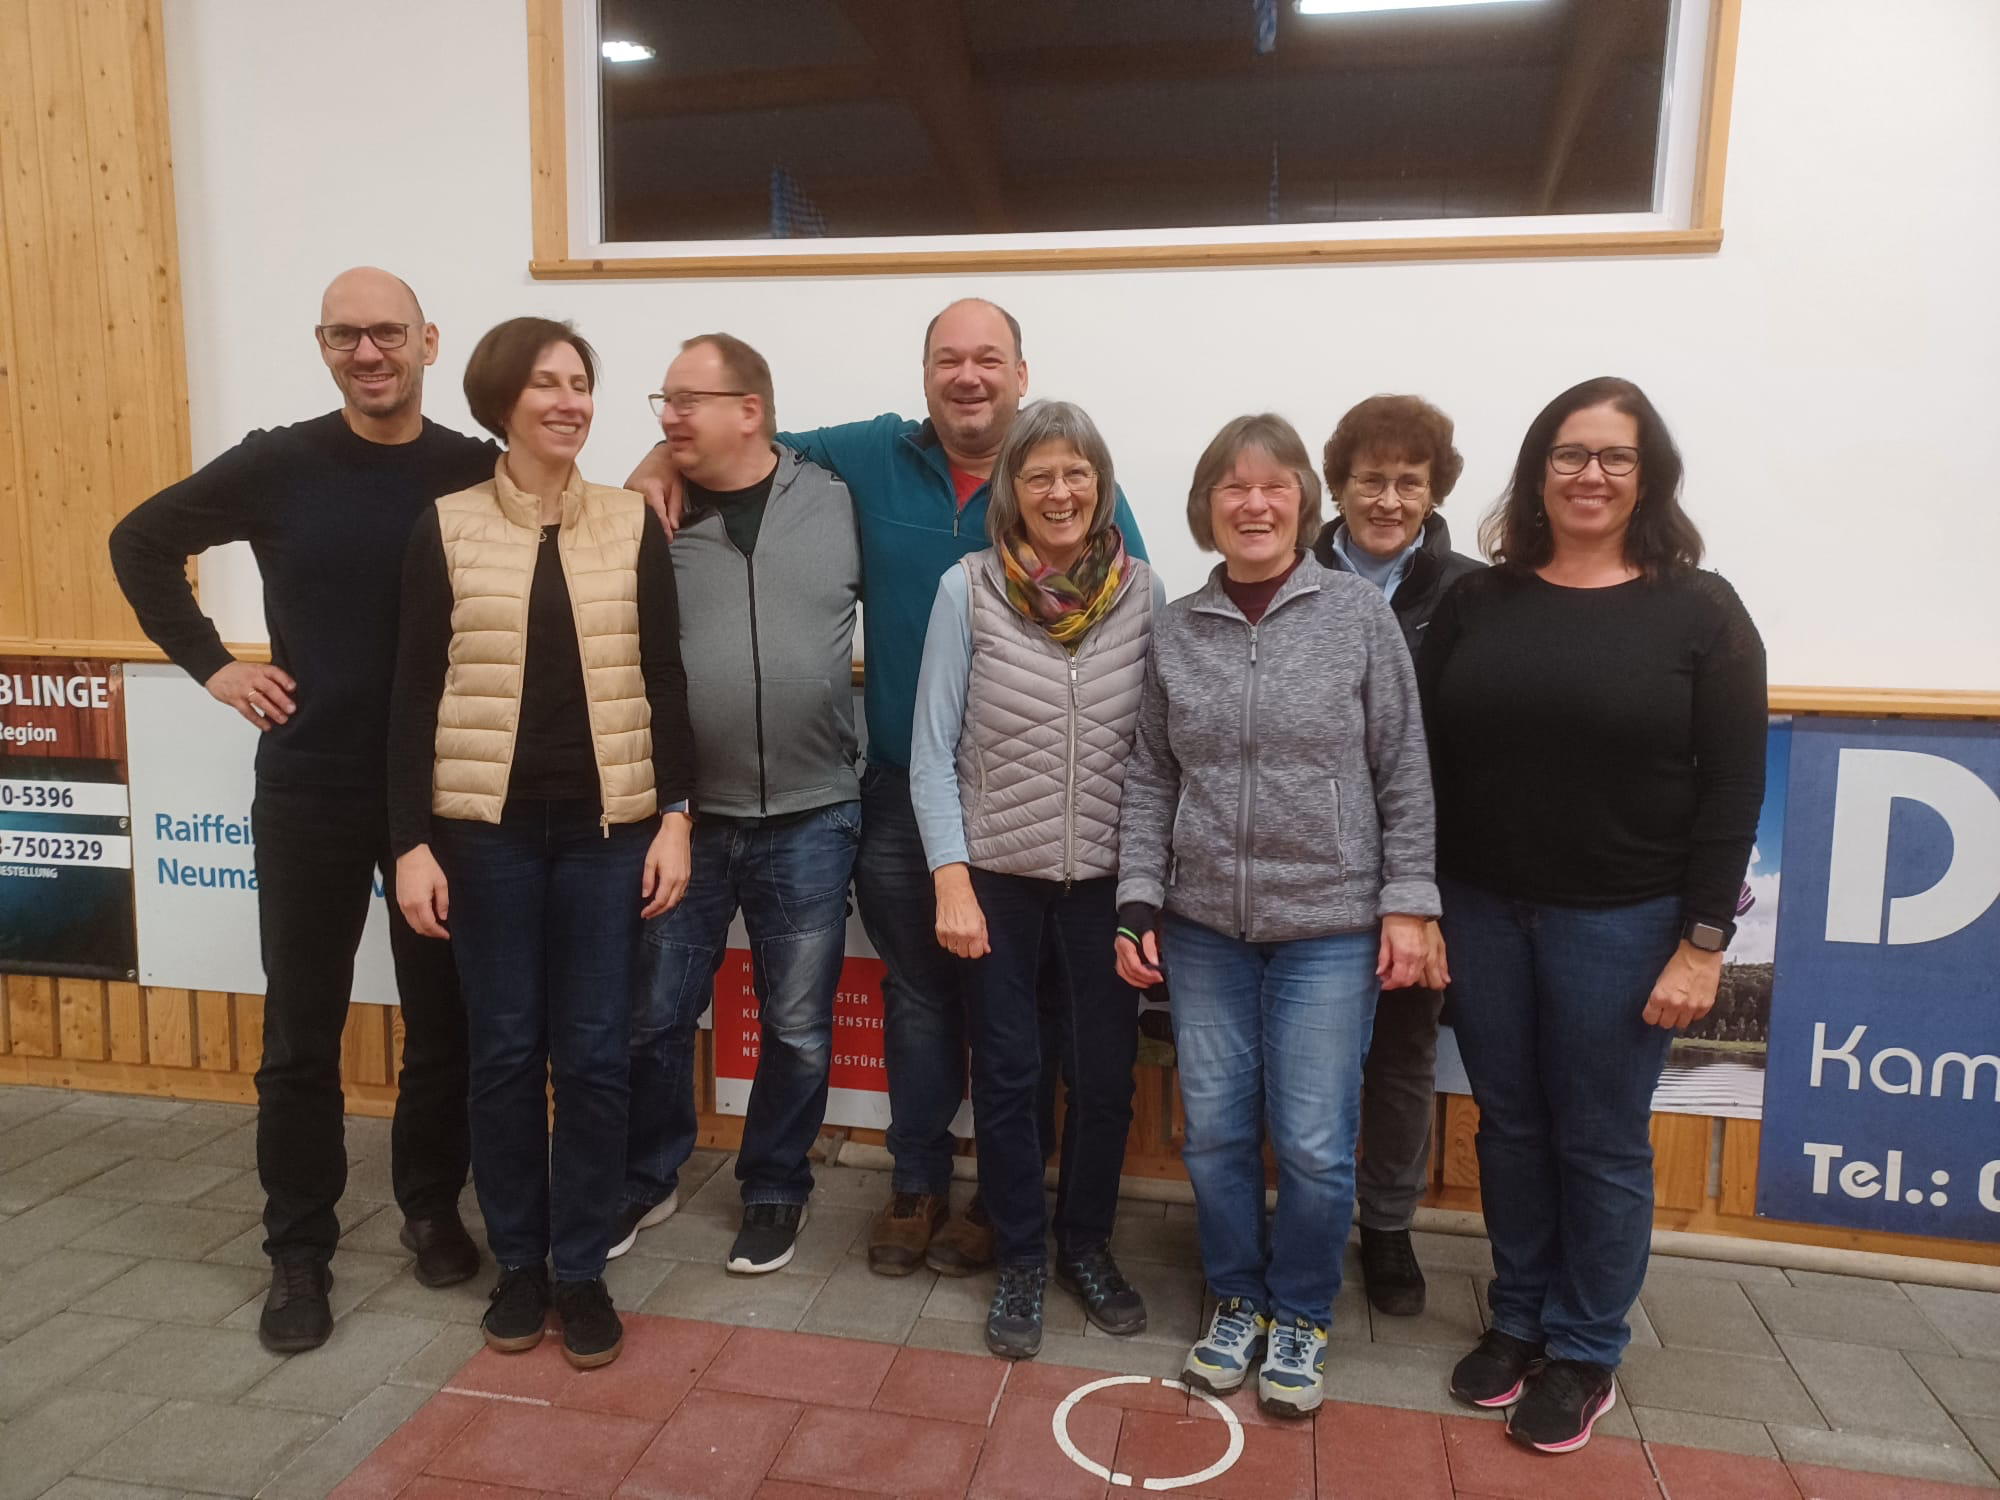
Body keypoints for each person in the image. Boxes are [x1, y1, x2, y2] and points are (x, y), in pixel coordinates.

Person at [630, 299, 1149, 1278]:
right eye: (948, 359)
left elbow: (1126, 628)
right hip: (903, 792)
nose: (967, 377)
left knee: (1025, 1011)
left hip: (1032, 808)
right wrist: (664, 454)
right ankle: (917, 1184)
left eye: (987, 359)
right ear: (923, 375)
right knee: (918, 997)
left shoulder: (1064, 480)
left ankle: (1002, 1201)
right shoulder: (869, 455)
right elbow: (750, 437)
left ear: (1021, 374)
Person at [108, 268, 490, 1354]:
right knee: (300, 1035)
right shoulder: (279, 462)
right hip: (311, 785)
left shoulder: (474, 469)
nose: (368, 353)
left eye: (387, 333)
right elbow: (139, 542)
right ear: (323, 346)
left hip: (439, 793)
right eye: (344, 335)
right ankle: (298, 1248)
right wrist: (213, 666)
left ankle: (429, 1205)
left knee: (444, 1023)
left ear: (428, 341)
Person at [1417, 376, 1765, 1453]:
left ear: (1647, 477)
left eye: (1615, 456)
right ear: (1537, 472)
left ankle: (1582, 1349)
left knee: (1601, 1140)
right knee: (1510, 1125)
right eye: (1569, 454)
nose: (1591, 475)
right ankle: (1518, 1317)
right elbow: (1420, 765)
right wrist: (1419, 904)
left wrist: (1702, 943)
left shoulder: (1701, 610)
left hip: (1623, 922)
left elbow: (1733, 787)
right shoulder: (1476, 602)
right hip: (1480, 909)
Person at [1115, 414, 1439, 1418]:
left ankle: (1300, 1311)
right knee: (1214, 1134)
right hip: (1203, 927)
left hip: (1328, 928)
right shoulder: (1177, 629)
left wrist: (1407, 903)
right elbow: (1149, 776)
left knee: (1309, 1141)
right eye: (1232, 487)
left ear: (1302, 502)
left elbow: (1402, 771)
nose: (1253, 504)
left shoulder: (1356, 616)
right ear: (1205, 507)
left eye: (1273, 487)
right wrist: (1136, 899)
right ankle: (1234, 1298)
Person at [387, 317, 695, 1370]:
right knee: (507, 1051)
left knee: (598, 1055)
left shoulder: (630, 522)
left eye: (580, 383)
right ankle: (519, 1262)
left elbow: (664, 677)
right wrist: (409, 843)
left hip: (610, 832)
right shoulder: (446, 527)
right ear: (500, 403)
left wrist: (677, 816)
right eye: (546, 385)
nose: (570, 402)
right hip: (487, 837)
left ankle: (581, 1268)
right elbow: (412, 693)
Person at [910, 400, 1163, 1359]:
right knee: (1009, 1076)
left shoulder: (1145, 594)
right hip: (998, 882)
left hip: (1106, 883)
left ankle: (1084, 1246)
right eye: (1039, 474)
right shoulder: (966, 589)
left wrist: (1148, 890)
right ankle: (1019, 1254)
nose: (1060, 492)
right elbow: (931, 751)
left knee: (1104, 1081)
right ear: (1011, 490)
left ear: (1102, 486)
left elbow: (1159, 757)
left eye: (1077, 473)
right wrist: (952, 880)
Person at [611, 333, 862, 1276]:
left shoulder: (837, 500)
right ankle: (647, 1175)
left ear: (749, 411)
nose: (669, 416)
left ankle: (775, 1186)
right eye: (663, 402)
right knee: (655, 1016)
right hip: (683, 819)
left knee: (796, 1027)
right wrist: (654, 457)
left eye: (687, 400)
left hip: (813, 812)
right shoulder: (645, 513)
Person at [1309, 394, 1481, 1317]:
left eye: (1408, 482)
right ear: (1336, 486)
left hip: (1421, 866)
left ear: (1434, 490)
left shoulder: (1473, 594)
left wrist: (1431, 893)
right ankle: (1302, 1213)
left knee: (1404, 1053)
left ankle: (1385, 1226)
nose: (1387, 499)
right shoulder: (1285, 571)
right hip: (1306, 864)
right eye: (1369, 479)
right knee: (1300, 1049)